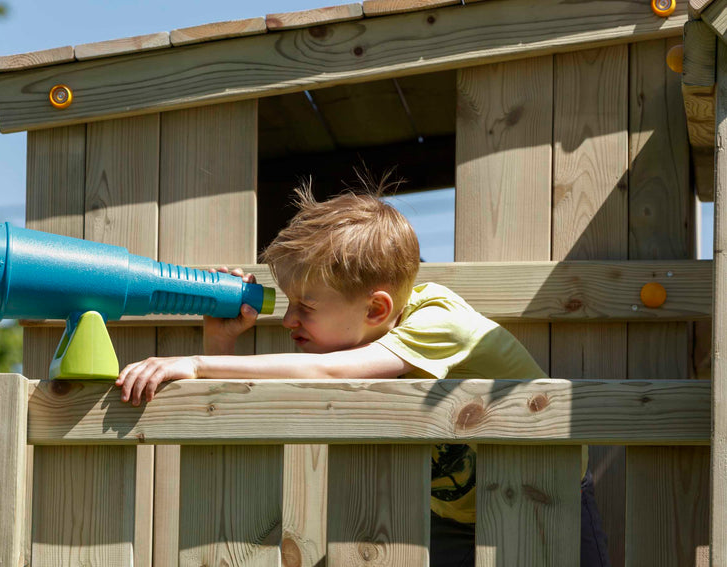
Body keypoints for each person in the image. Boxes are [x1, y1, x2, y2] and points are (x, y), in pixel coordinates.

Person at [116, 180, 610, 567]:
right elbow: (242, 408)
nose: (288, 320)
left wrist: (196, 363)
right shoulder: (370, 336)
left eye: (305, 306)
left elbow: (326, 372)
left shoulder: (439, 323)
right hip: (453, 515)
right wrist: (221, 341)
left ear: (376, 309)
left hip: (546, 494)